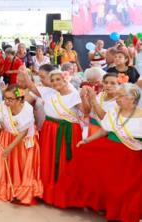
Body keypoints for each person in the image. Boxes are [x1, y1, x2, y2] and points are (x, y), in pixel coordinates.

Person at [55, 83, 142, 221]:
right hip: (109, 150)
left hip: (130, 156)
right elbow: (104, 130)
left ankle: (120, 212)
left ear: (133, 98)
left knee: (121, 188)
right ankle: (96, 204)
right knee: (89, 165)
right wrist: (87, 141)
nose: (117, 99)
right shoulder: (114, 110)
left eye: (121, 96)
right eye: (117, 95)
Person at [20, 69, 84, 204]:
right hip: (50, 129)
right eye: (53, 80)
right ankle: (47, 193)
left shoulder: (75, 95)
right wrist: (25, 74)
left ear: (65, 79)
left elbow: (86, 111)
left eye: (58, 79)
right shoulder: (48, 92)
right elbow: (31, 87)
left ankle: (64, 196)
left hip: (67, 131)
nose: (55, 83)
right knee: (48, 159)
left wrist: (86, 97)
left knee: (65, 161)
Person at [0, 84, 43, 204]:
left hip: (22, 142)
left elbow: (24, 131)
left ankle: (21, 193)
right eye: (5, 98)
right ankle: (7, 190)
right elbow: (2, 122)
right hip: (7, 137)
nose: (7, 101)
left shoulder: (27, 109)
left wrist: (10, 148)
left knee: (22, 166)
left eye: (10, 99)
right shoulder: (2, 106)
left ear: (19, 99)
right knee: (7, 165)